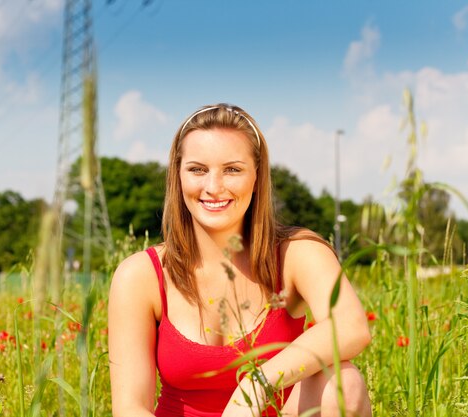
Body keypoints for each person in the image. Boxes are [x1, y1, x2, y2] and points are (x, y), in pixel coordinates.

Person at [108, 104, 372, 417]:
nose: (214, 187)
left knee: (345, 383)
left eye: (232, 169)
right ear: (177, 176)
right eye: (197, 169)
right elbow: (130, 408)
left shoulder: (297, 253)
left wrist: (256, 385)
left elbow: (352, 325)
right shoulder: (140, 275)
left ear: (257, 177)